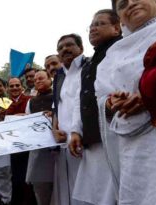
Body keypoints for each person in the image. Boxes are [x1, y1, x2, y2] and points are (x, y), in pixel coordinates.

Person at [95, 1, 156, 204]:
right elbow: (101, 95)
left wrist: (151, 96)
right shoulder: (113, 54)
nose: (131, 4)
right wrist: (110, 103)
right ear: (119, 16)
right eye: (122, 4)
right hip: (132, 145)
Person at [68, 9, 122, 205]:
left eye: (99, 24)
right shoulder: (89, 65)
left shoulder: (122, 51)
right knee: (92, 197)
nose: (93, 28)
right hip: (92, 140)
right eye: (91, 26)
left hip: (117, 139)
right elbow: (79, 100)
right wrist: (75, 131)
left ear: (117, 28)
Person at [52, 33, 86, 205]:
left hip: (85, 141)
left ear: (81, 48)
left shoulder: (89, 67)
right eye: (60, 47)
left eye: (69, 45)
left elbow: (83, 103)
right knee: (68, 192)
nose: (65, 49)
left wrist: (76, 131)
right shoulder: (59, 75)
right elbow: (56, 106)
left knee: (88, 191)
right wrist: (54, 129)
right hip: (64, 144)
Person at [25, 70, 55, 205]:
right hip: (38, 150)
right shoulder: (31, 102)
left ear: (50, 79)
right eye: (35, 80)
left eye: (41, 78)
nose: (37, 81)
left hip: (56, 150)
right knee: (40, 188)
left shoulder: (58, 97)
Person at [4, 77, 34, 205]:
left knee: (29, 176)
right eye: (12, 86)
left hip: (29, 144)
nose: (15, 88)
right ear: (7, 88)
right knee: (15, 177)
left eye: (17, 85)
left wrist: (20, 117)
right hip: (12, 145)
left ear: (22, 87)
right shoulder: (4, 102)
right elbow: (1, 119)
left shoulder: (30, 100)